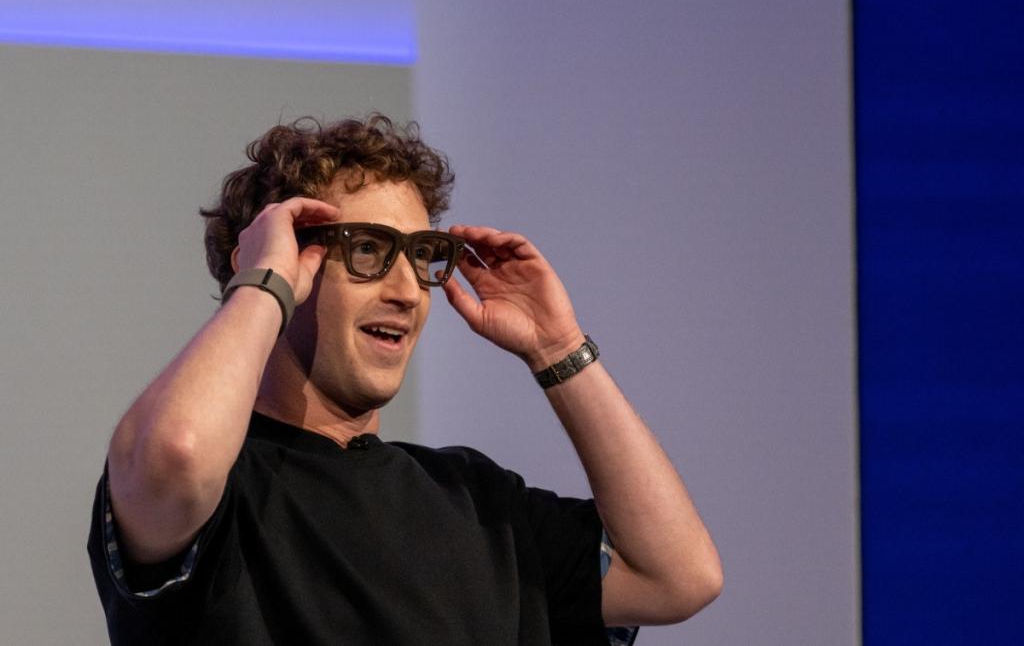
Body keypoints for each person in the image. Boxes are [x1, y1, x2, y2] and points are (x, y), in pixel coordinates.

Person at [87, 114, 722, 645]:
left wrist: (558, 348)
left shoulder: (477, 499)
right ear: (282, 265)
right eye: (367, 250)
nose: (407, 290)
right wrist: (258, 285)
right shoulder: (221, 494)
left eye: (421, 255)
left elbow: (679, 577)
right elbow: (177, 453)